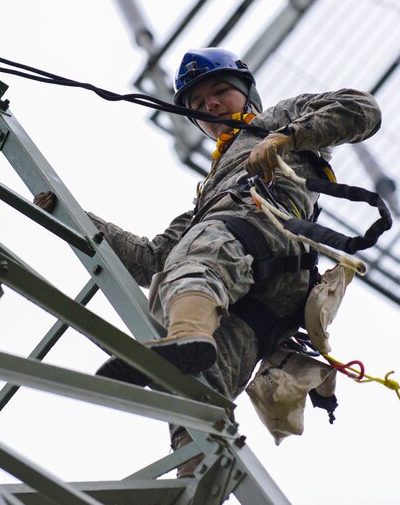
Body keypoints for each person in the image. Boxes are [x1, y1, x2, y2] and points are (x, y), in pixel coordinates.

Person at [35, 47, 382, 473]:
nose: (210, 105)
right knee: (194, 389)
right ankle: (198, 473)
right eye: (198, 105)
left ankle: (184, 334)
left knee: (198, 257)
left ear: (247, 93)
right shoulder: (208, 198)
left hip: (263, 235)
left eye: (220, 92)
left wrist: (285, 137)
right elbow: (152, 259)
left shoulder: (277, 119)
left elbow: (361, 108)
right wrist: (73, 217)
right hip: (265, 301)